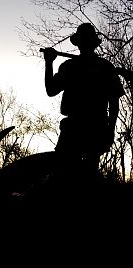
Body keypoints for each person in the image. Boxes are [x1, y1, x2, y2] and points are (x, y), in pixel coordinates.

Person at [42, 23, 125, 182]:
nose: (85, 44)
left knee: (84, 175)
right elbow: (51, 91)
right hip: (76, 126)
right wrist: (49, 62)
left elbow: (114, 102)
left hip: (95, 126)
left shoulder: (105, 67)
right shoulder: (71, 66)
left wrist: (110, 130)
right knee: (67, 172)